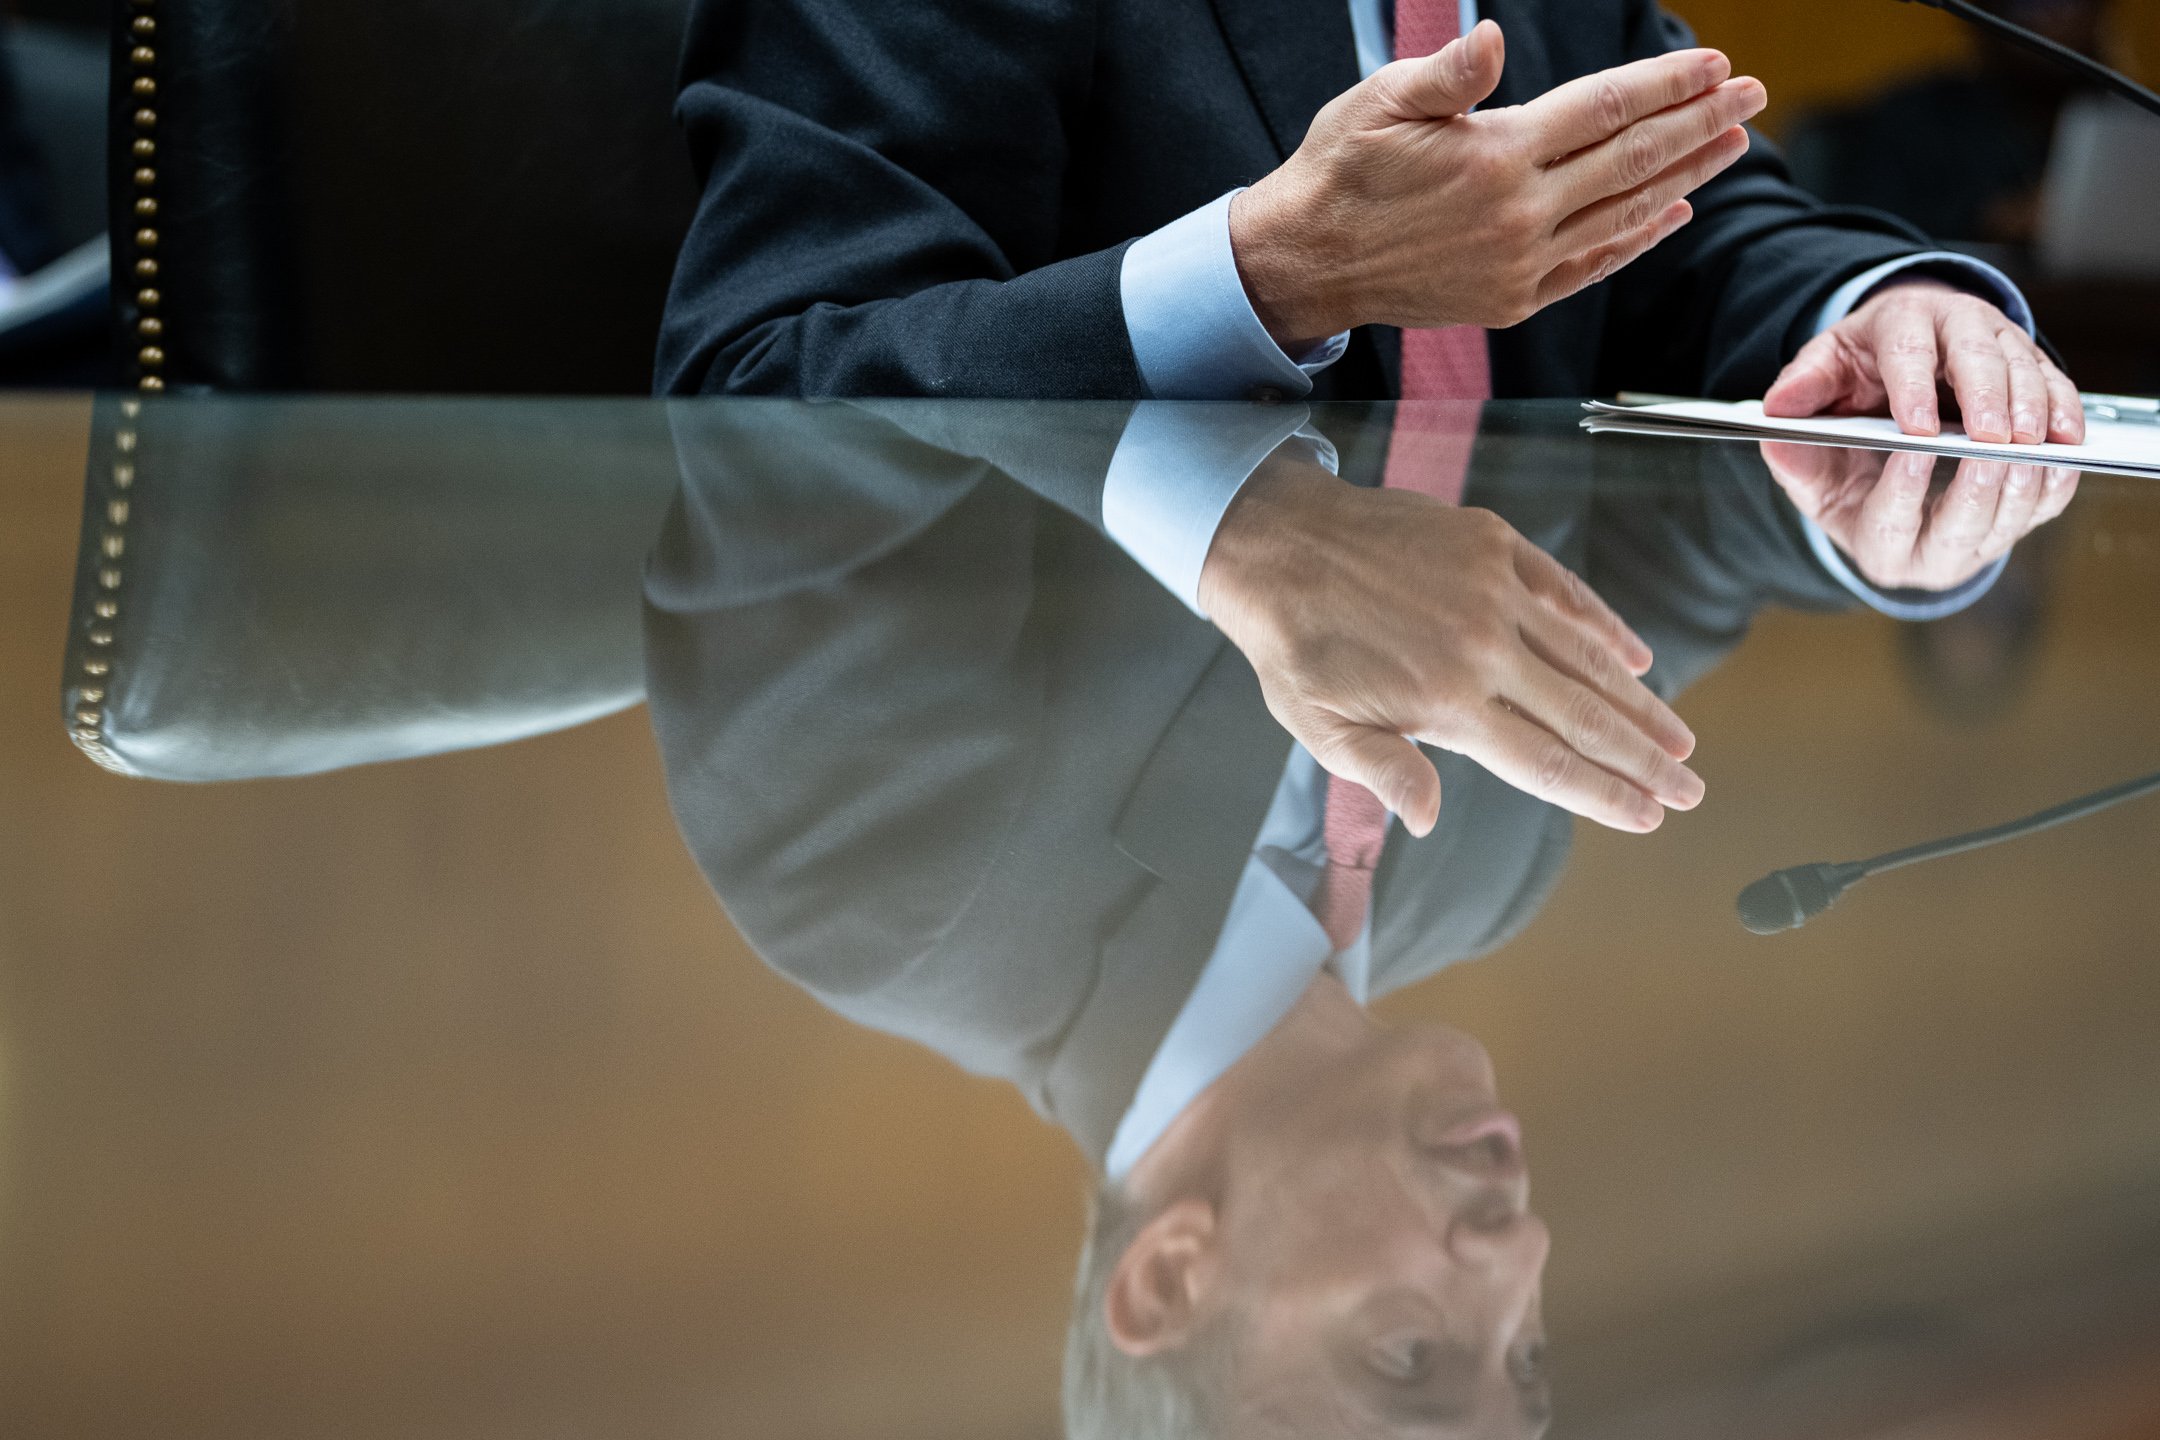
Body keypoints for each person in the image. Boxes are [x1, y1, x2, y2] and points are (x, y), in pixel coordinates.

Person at [642, 398, 2081, 1436]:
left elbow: (802, 363)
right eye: (1524, 1368)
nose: (1520, 1263)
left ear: (1175, 1274)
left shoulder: (871, 879)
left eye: (1407, 1357)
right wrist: (1881, 467)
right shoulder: (1497, 866)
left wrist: (1233, 515)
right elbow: (1695, 527)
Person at [657, 0, 2086, 457]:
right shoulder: (913, 914)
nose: (1518, 1178)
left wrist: (1880, 299)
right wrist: (1263, 279)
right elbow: (762, 379)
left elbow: (1685, 232)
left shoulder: (1484, 873)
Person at [1785, 0, 2112, 248]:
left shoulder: (2120, 115)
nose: (2057, 18)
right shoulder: (1916, 115)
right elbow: (1863, 227)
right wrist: (1989, 219)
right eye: (2032, 5)